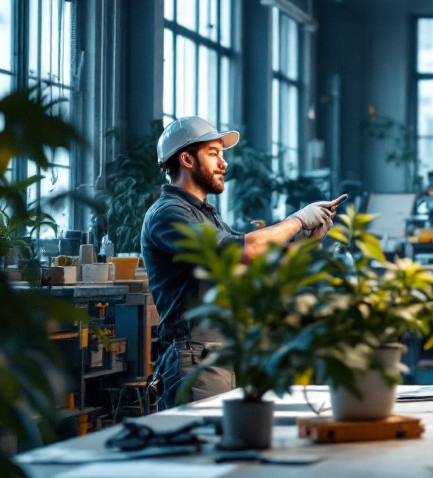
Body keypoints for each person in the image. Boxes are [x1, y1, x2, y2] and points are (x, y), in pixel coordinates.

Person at [141, 116, 343, 407]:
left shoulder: (207, 215)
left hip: (225, 350)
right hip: (196, 357)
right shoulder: (168, 214)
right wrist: (297, 220)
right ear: (186, 159)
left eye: (222, 155)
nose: (223, 163)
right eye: (213, 154)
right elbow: (243, 250)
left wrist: (309, 241)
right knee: (202, 445)